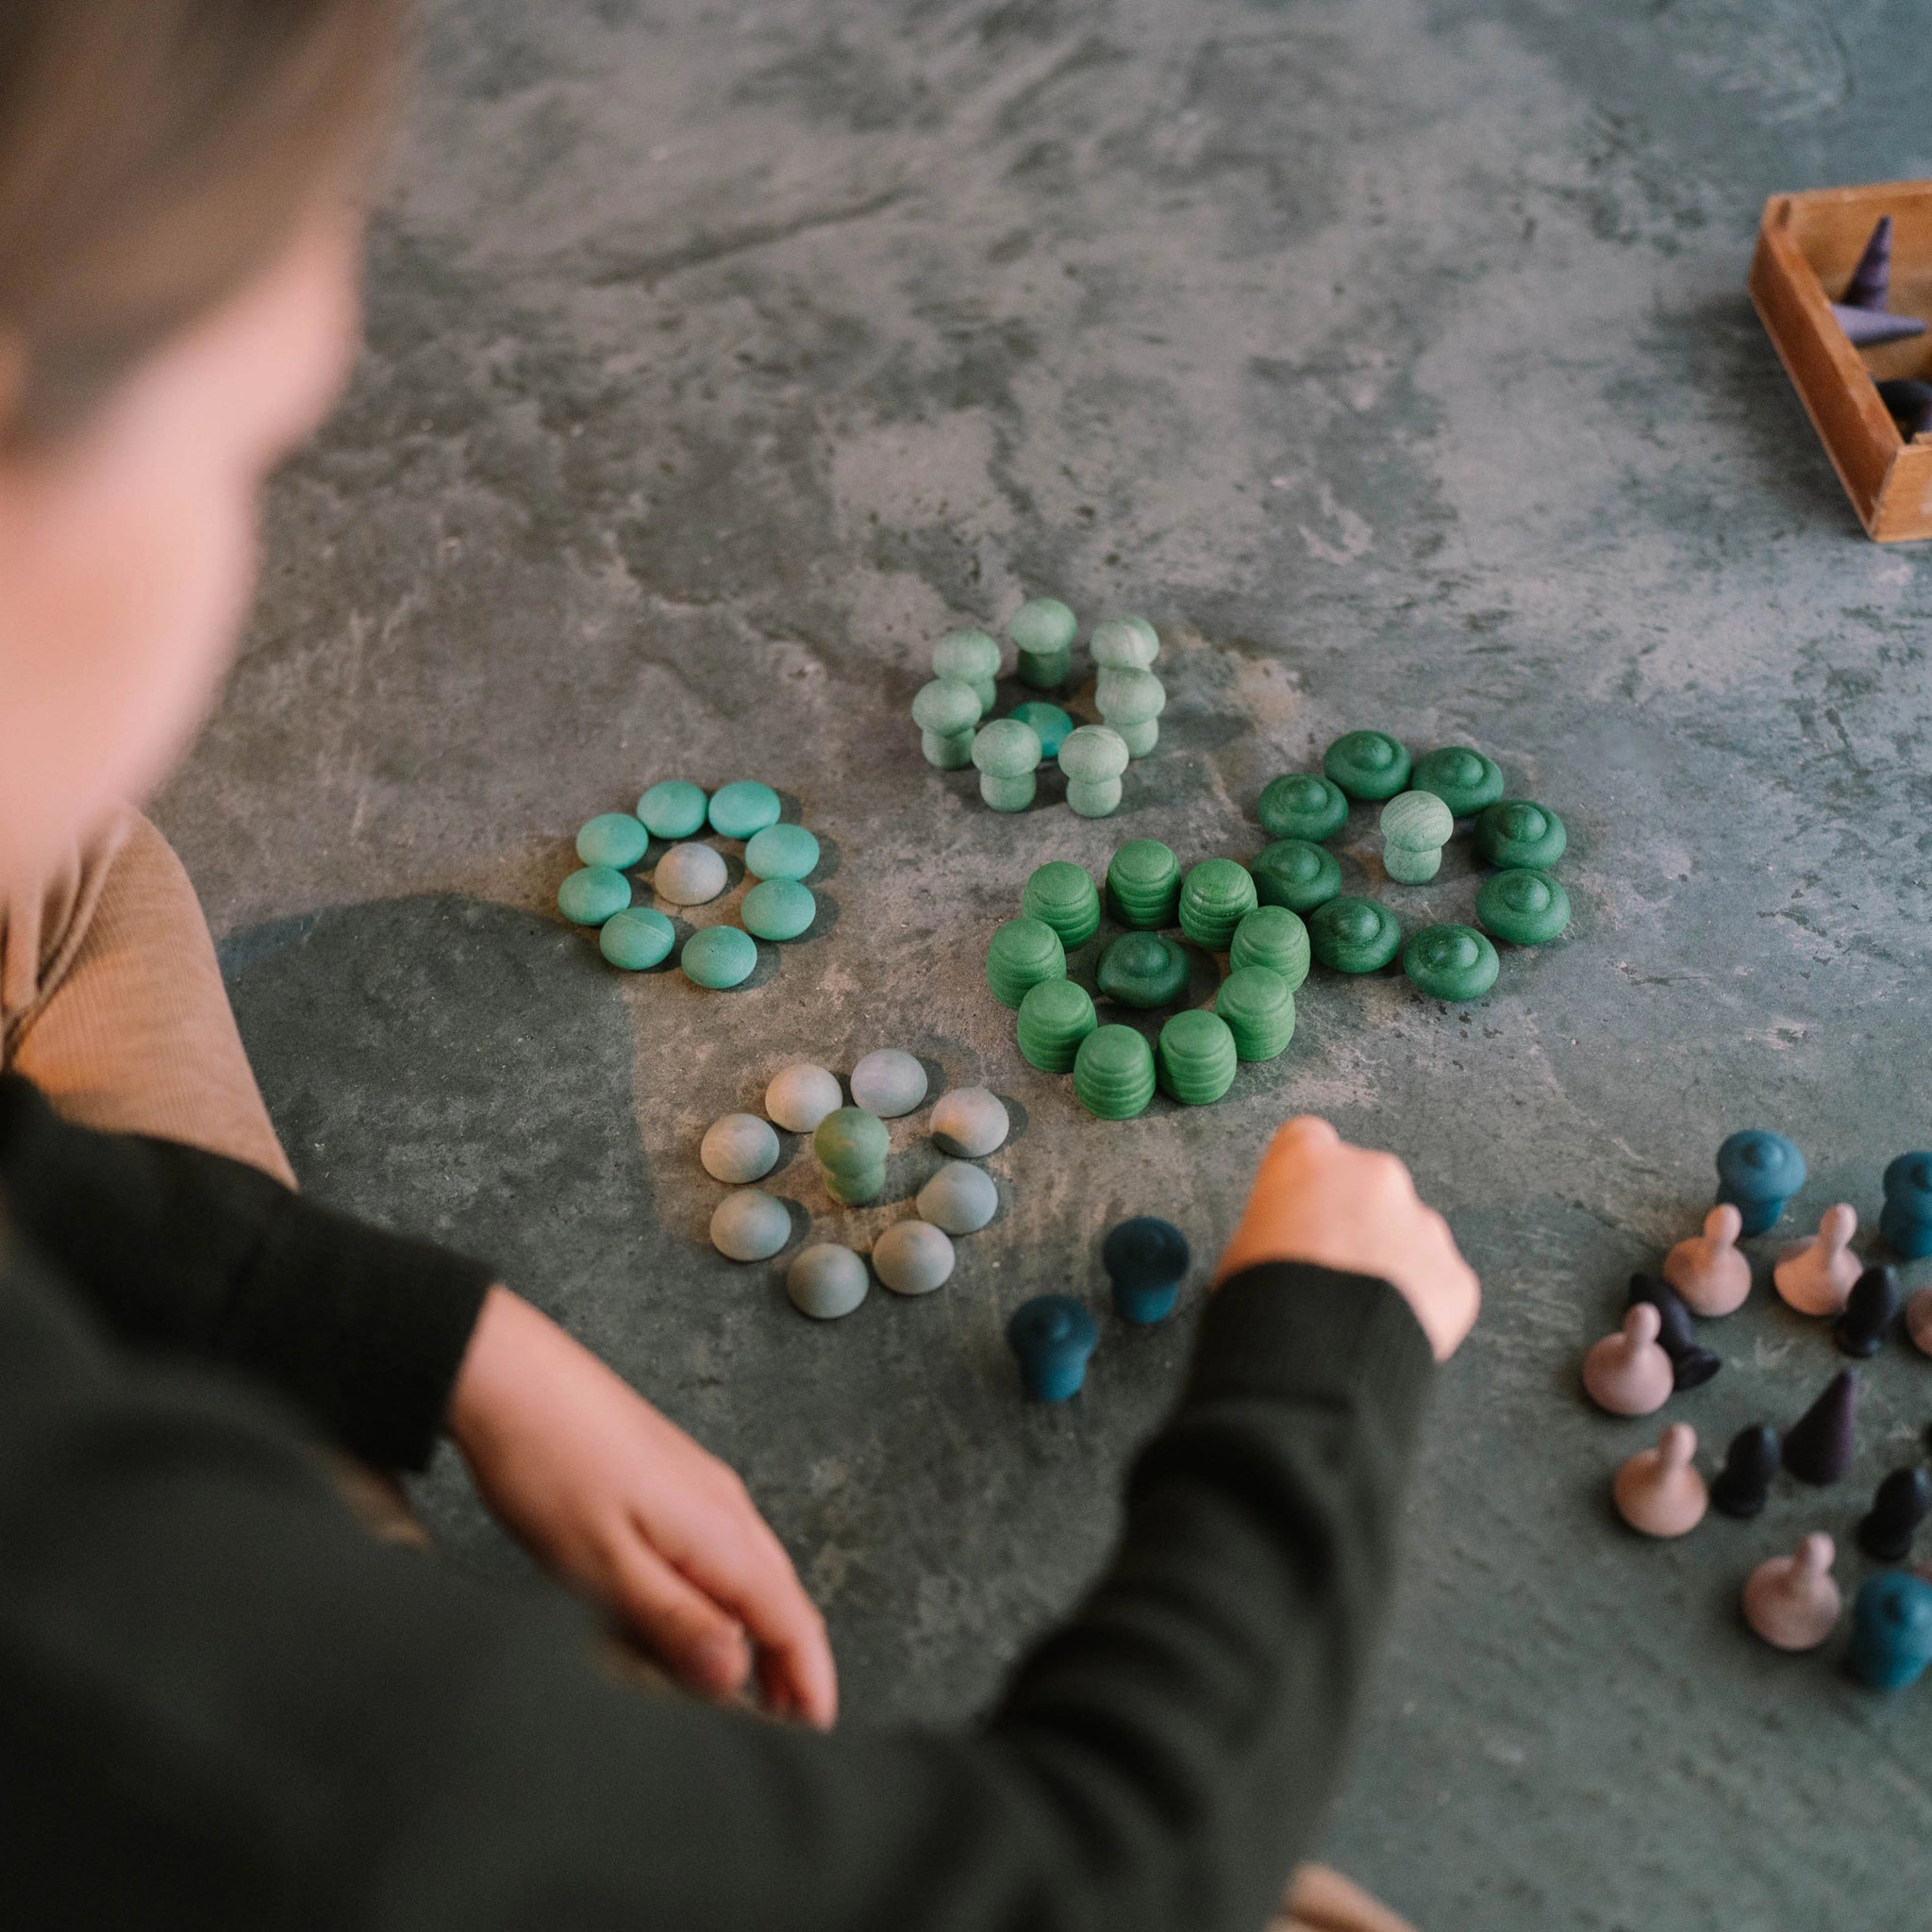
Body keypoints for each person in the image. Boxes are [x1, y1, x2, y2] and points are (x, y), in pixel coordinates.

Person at [0, 5, 1481, 1928]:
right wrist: (1321, 1367)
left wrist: (439, 1343)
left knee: (76, 864)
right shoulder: (122, 1647)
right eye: (246, 451)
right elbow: (1085, 1880)